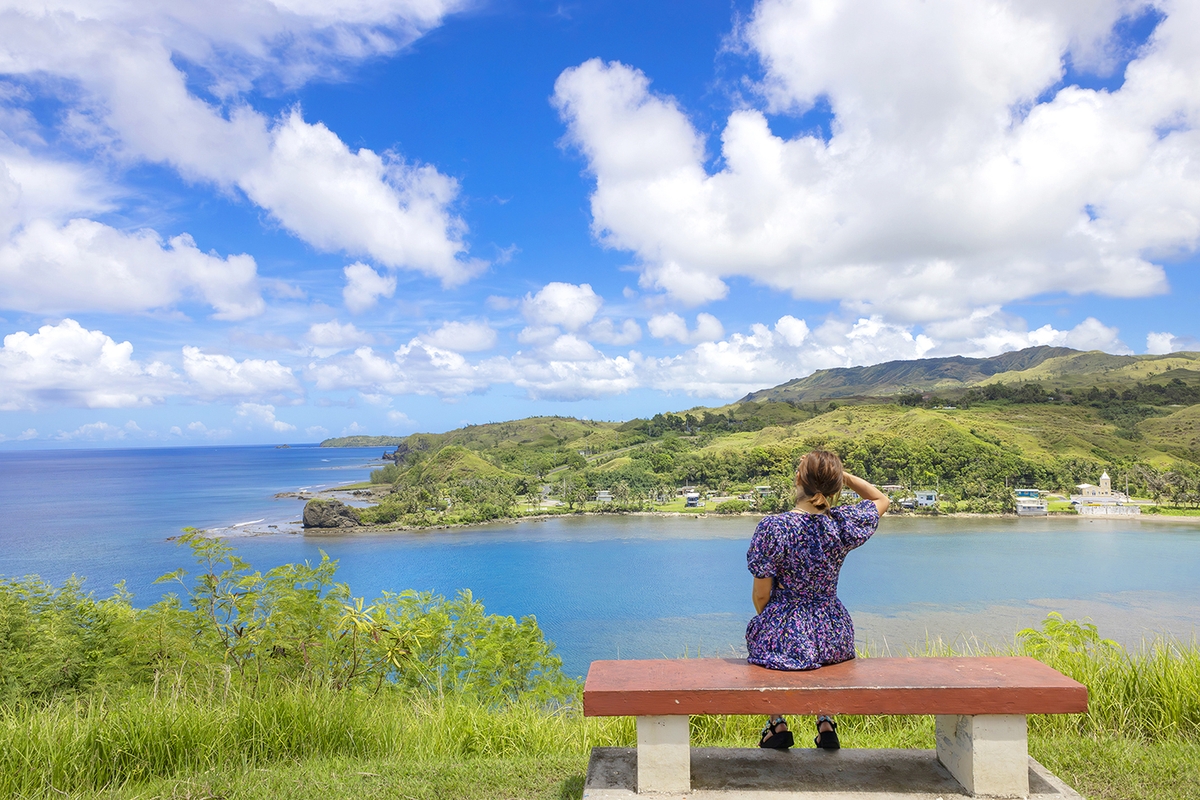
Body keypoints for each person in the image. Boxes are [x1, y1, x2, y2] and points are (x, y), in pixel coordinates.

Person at [745, 450, 889, 750]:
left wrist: (770, 617)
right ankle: (825, 722)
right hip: (834, 630)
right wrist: (842, 477)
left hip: (788, 629)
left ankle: (777, 723)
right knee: (822, 659)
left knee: (764, 638)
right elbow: (881, 500)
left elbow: (761, 594)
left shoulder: (775, 527)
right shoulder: (841, 524)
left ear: (798, 479)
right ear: (835, 486)